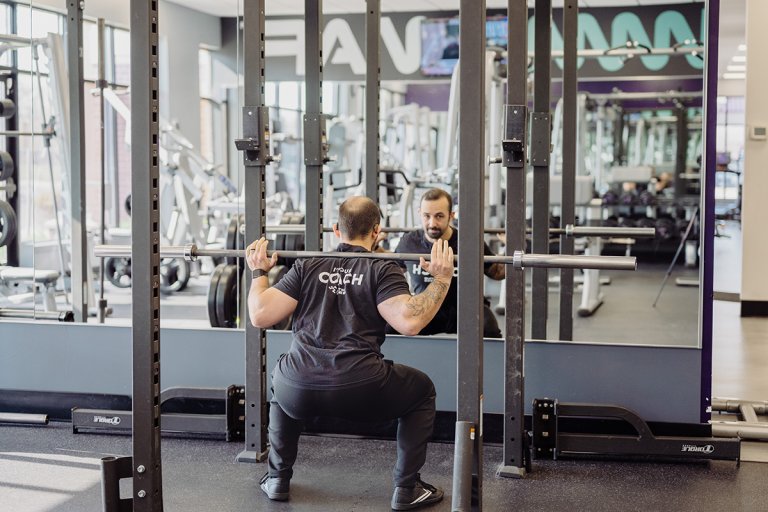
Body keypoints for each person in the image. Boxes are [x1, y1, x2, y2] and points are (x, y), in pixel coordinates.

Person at [246, 196, 454, 511]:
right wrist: (442, 278)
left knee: (282, 377)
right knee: (422, 390)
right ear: (377, 231)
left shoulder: (307, 264)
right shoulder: (382, 268)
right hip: (360, 387)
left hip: (299, 387)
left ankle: (277, 478)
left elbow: (259, 315)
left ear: (335, 230)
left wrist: (258, 272)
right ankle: (407, 489)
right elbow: (410, 321)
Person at [393, 188, 504, 338]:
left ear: (451, 216)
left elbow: (496, 272)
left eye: (439, 216)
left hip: (466, 309)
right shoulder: (409, 242)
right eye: (427, 216)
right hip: (427, 308)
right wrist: (373, 250)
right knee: (390, 327)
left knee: (489, 329)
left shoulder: (469, 241)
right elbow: (391, 273)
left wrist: (512, 248)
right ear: (419, 213)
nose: (432, 223)